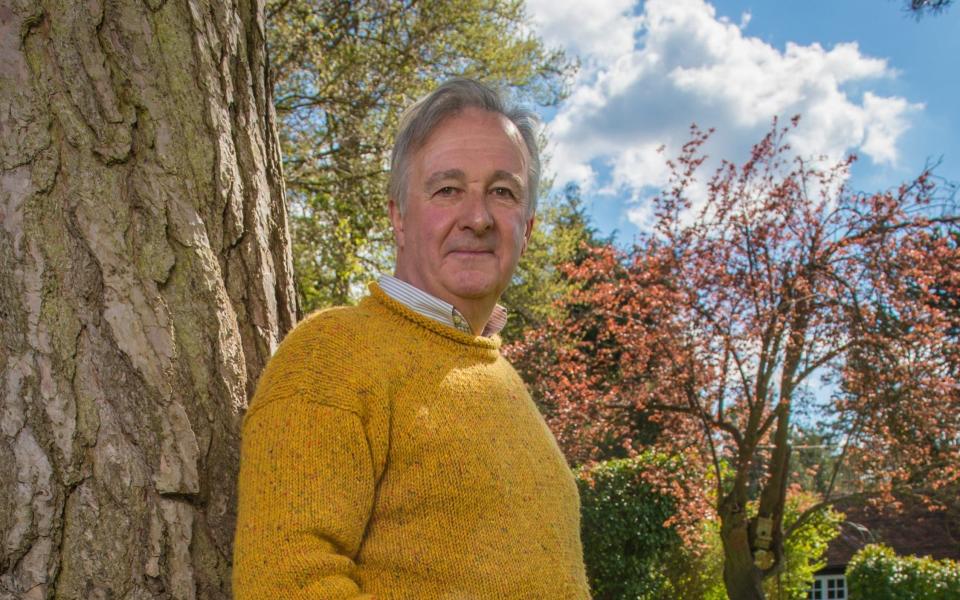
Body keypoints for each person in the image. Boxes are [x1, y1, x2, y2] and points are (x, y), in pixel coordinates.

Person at [232, 78, 590, 599]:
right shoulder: (332, 354)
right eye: (448, 189)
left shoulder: (503, 379)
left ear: (528, 227)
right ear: (398, 217)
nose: (477, 217)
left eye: (502, 191)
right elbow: (286, 581)